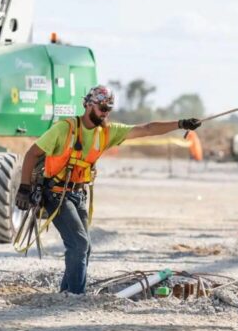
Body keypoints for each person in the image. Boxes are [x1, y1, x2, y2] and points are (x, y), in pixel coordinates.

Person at [14, 85, 202, 294]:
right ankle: (75, 296)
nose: (105, 113)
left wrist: (180, 123)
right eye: (102, 108)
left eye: (109, 109)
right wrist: (24, 188)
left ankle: (67, 293)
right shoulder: (64, 129)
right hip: (56, 194)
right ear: (88, 105)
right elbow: (32, 153)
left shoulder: (106, 132)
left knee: (84, 248)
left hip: (78, 194)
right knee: (79, 245)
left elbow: (147, 129)